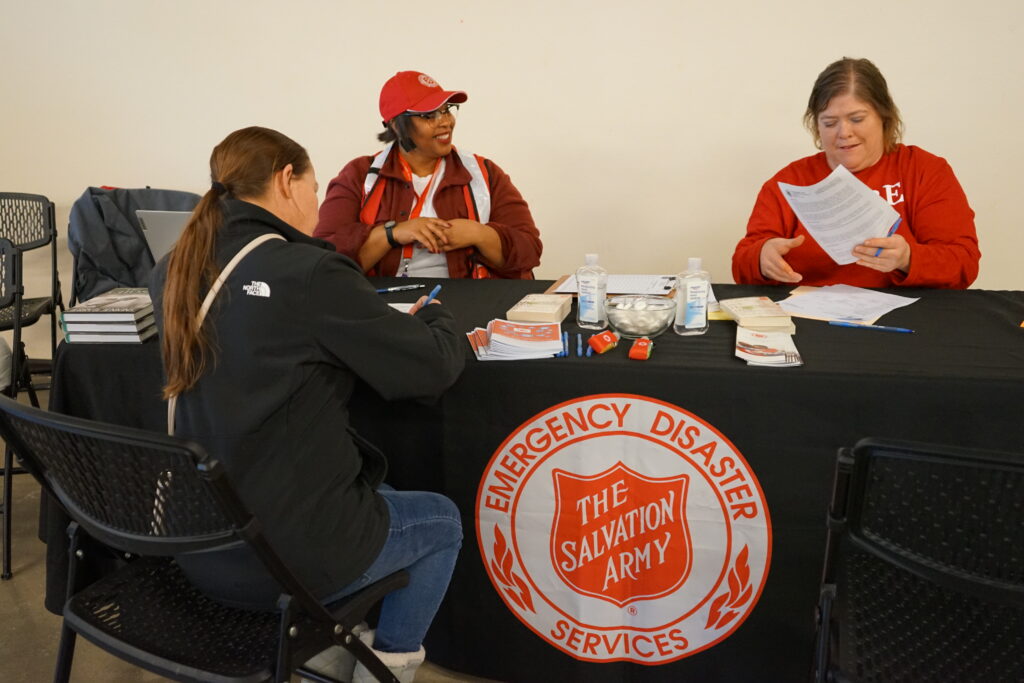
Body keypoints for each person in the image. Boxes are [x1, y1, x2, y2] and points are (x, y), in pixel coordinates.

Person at [150, 126, 465, 682]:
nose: (317, 205)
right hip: (277, 560)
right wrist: (437, 318)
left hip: (194, 541)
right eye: (313, 188)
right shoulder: (306, 272)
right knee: (441, 520)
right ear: (285, 181)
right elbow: (429, 369)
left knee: (378, 491)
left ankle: (336, 644)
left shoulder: (173, 266)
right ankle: (383, 668)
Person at [732, 57, 980, 289]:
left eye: (857, 119)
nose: (844, 132)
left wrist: (908, 258)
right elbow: (742, 263)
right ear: (816, 125)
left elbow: (963, 263)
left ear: (884, 117)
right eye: (830, 123)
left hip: (906, 317)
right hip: (809, 319)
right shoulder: (790, 181)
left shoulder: (925, 171)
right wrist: (762, 257)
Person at [314, 70, 542, 279]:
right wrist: (392, 234)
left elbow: (529, 250)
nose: (445, 122)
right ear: (396, 125)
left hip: (471, 301)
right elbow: (322, 261)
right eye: (429, 116)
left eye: (447, 110)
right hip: (384, 305)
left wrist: (478, 234)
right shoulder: (359, 175)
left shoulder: (484, 172)